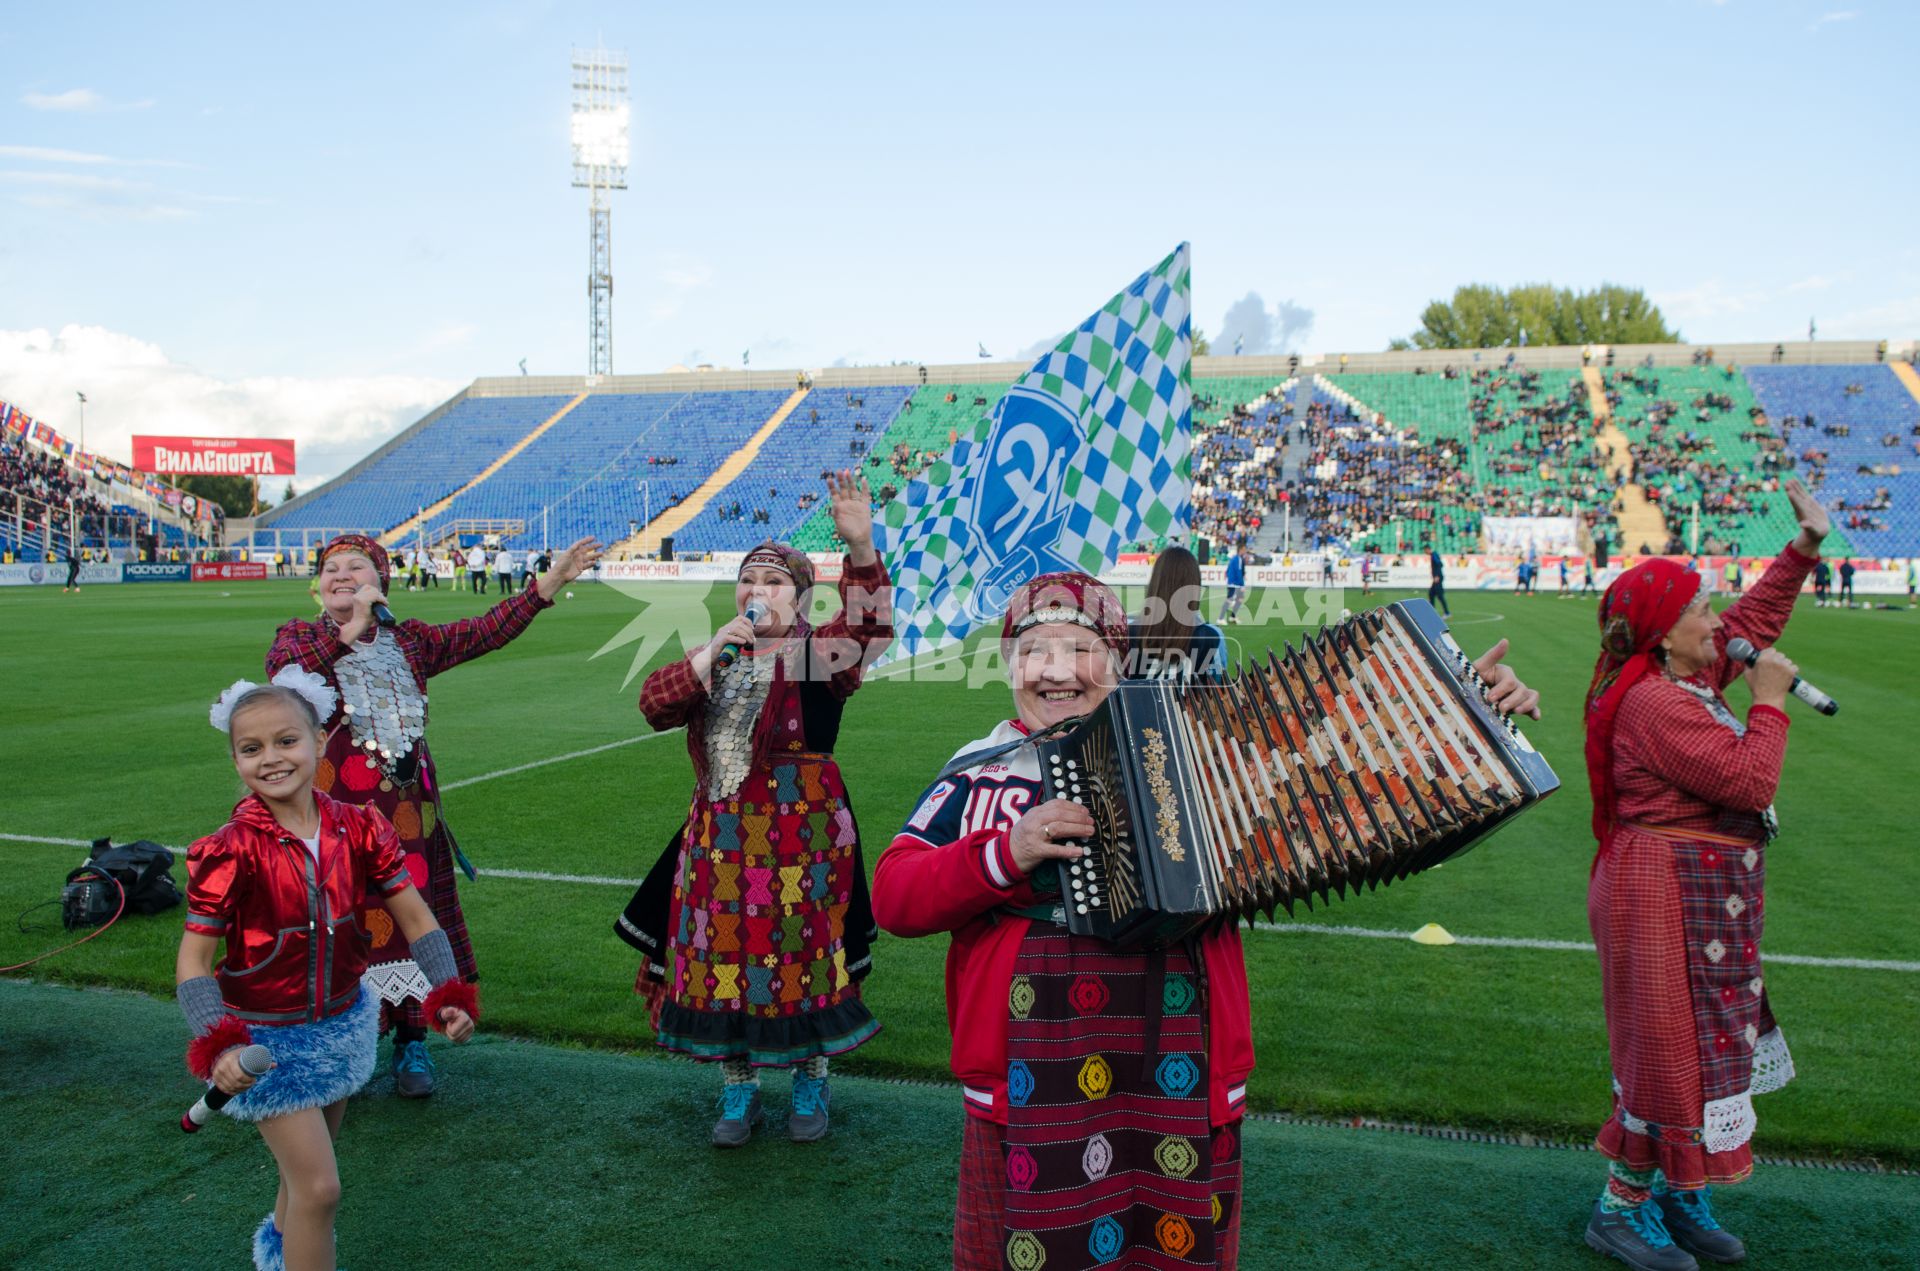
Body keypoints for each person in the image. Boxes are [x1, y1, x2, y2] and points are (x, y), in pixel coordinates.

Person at [873, 573, 1540, 1271]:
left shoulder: (1203, 751)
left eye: (1081, 646)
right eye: (1036, 649)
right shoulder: (980, 770)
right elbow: (893, 895)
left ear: (1120, 659)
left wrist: (1465, 716)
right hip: (1026, 1077)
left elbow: (1352, 788)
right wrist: (1004, 851)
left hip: (1180, 1066)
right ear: (1010, 663)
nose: (1058, 669)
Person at [1580, 477, 1828, 1271]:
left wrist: (1804, 547)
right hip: (1657, 892)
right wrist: (1770, 701)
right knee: (1665, 1052)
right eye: (1699, 610)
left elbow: (1749, 620)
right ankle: (1620, 1210)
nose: (1717, 622)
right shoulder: (1655, 703)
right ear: (1662, 632)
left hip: (1692, 896)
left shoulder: (1680, 675)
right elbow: (1750, 781)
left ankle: (1680, 1193)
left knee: (1703, 1046)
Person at [265, 532, 600, 1098]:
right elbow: (286, 676)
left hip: (406, 818)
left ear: (381, 581)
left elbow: (482, 631)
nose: (341, 576)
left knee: (411, 922)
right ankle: (338, 1046)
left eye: (357, 568)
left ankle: (411, 1041)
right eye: (331, 570)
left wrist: (551, 583)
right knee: (338, 928)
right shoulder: (298, 637)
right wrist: (351, 630)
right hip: (331, 820)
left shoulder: (409, 639)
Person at [178, 670, 476, 1271]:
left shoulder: (362, 825)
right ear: (234, 758)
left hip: (343, 1024)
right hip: (266, 1038)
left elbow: (417, 918)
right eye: (250, 748)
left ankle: (277, 1260)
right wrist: (219, 1044)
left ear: (320, 740)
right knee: (321, 1189)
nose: (271, 759)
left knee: (301, 1182)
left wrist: (447, 993)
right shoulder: (229, 848)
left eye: (286, 741)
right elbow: (194, 960)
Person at [626, 471, 890, 1146]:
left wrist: (861, 547)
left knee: (804, 955)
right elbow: (654, 704)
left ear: (801, 596)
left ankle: (810, 1076)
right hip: (721, 838)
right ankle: (739, 1090)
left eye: (773, 582)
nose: (756, 591)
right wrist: (714, 650)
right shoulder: (717, 654)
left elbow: (868, 626)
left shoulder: (815, 654)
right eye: (748, 580)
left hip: (805, 840)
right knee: (725, 960)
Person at [1128, 545, 1225, 681]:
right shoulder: (1212, 635)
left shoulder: (1130, 631)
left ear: (1156, 583)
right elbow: (1218, 686)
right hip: (1192, 701)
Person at [1222, 544, 1249, 624]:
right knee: (1230, 600)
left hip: (1233, 582)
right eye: (1244, 549)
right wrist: (1242, 584)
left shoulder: (1235, 558)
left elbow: (1229, 569)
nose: (1245, 551)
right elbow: (1238, 572)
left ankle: (1232, 617)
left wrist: (1226, 574)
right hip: (1235, 583)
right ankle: (1221, 618)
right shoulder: (1238, 559)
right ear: (1240, 550)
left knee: (1239, 599)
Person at [1427, 541, 1451, 616]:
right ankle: (1432, 611)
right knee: (1431, 594)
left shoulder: (1434, 555)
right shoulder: (1433, 555)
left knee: (1440, 595)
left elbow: (1440, 564)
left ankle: (1447, 613)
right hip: (1436, 578)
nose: (1425, 552)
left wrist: (1437, 575)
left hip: (1438, 578)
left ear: (1427, 549)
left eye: (1425, 550)